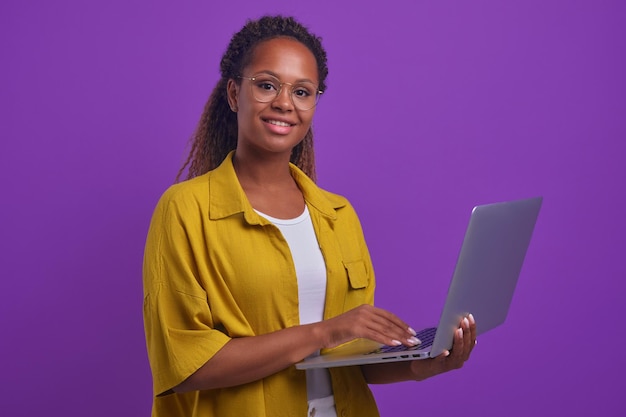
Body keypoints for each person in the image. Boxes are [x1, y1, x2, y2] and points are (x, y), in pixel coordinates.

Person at [142, 15, 477, 417]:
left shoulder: (338, 215)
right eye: (267, 85)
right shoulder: (185, 210)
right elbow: (186, 365)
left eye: (302, 91)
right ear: (234, 94)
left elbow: (351, 362)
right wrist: (327, 330)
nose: (285, 103)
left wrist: (428, 363)